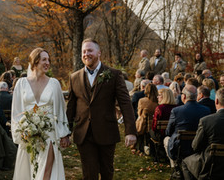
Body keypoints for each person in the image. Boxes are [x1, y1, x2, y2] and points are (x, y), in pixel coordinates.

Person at [66, 39, 137, 180]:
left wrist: (130, 131)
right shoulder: (74, 77)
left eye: (90, 50)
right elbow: (71, 107)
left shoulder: (114, 75)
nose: (86, 54)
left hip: (107, 131)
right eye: (84, 51)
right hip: (84, 133)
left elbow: (125, 104)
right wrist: (66, 132)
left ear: (99, 53)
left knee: (107, 172)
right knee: (89, 174)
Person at [11, 48, 70, 180]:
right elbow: (16, 112)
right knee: (29, 172)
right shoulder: (21, 84)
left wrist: (64, 134)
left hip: (49, 133)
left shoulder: (54, 84)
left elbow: (60, 110)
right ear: (35, 61)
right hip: (28, 135)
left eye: (48, 60)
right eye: (44, 59)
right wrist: (21, 131)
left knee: (45, 172)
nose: (47, 63)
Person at [163, 84, 210, 169]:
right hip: (198, 146)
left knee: (166, 139)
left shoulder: (176, 111)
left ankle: (176, 167)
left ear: (183, 96)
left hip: (180, 147)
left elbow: (168, 131)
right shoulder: (206, 110)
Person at [182, 88, 224, 180]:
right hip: (215, 165)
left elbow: (195, 146)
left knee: (185, 162)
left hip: (210, 165)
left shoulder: (206, 121)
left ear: (216, 101)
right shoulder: (207, 120)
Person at [135, 83, 158, 152]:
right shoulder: (158, 101)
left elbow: (139, 113)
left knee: (140, 119)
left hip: (144, 125)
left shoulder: (142, 101)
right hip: (154, 125)